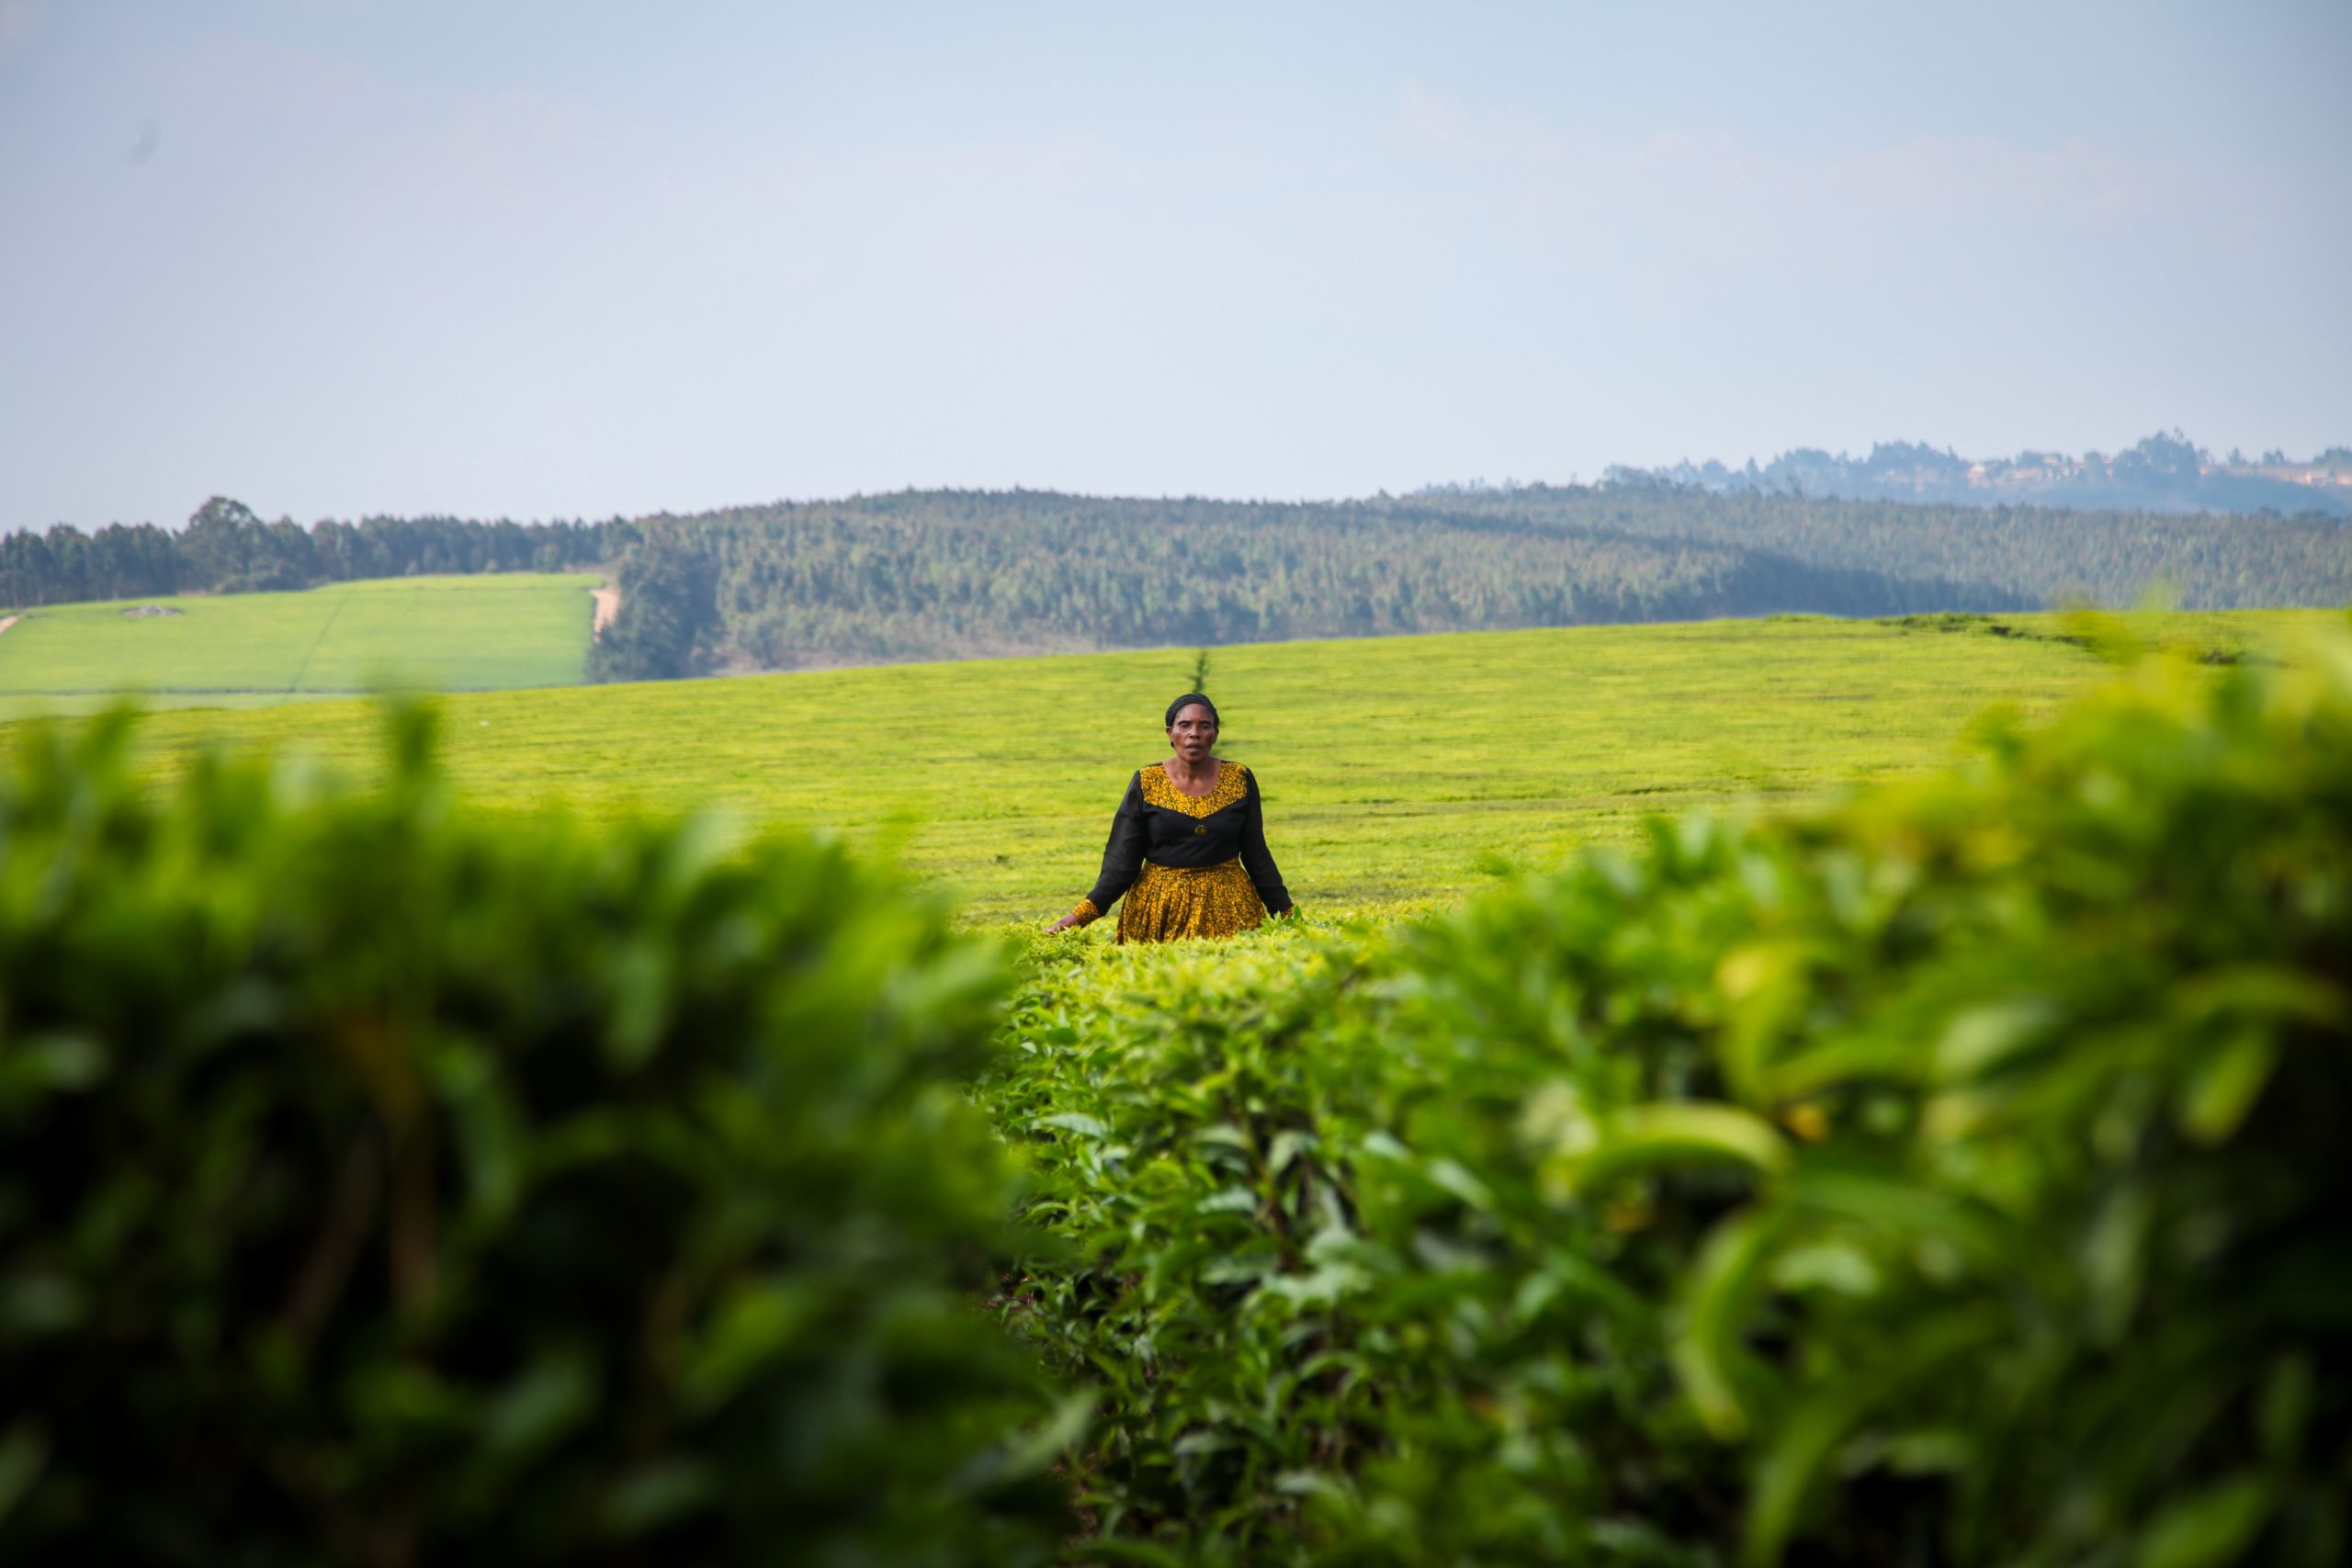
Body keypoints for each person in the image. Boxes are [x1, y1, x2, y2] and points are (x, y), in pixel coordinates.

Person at [1047, 693, 1295, 942]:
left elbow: (1256, 854)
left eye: (1204, 726)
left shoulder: (1239, 778)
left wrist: (1288, 916)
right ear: (1170, 733)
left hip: (1231, 907)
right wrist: (1080, 916)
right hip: (1158, 911)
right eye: (1185, 725)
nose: (1194, 733)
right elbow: (1122, 863)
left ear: (1215, 734)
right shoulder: (1147, 781)